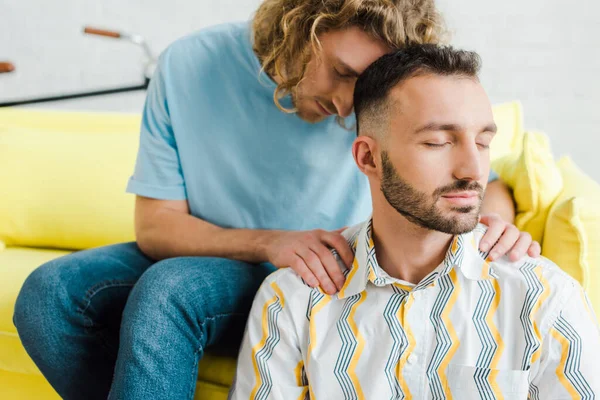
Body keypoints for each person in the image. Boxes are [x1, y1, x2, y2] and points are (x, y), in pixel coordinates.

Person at [13, 1, 539, 399]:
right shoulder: (188, 66)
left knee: (167, 289)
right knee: (48, 293)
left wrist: (492, 226)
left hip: (324, 276)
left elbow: (488, 170)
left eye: (371, 81)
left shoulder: (392, 101)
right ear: (299, 25)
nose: (349, 104)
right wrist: (273, 241)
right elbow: (156, 227)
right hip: (223, 252)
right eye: (344, 72)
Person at [230, 45, 600, 399]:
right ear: (369, 157)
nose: (473, 170)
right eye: (439, 142)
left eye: (483, 143)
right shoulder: (291, 301)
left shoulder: (545, 297)